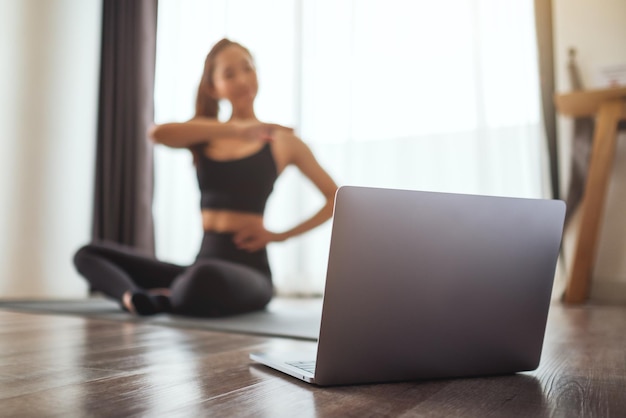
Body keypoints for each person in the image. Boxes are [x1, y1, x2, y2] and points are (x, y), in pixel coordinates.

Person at [74, 38, 338, 317]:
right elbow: (157, 134)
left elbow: (336, 198)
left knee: (202, 278)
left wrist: (280, 236)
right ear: (213, 88)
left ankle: (169, 297)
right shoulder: (206, 135)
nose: (242, 79)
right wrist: (237, 130)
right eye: (229, 74)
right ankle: (133, 297)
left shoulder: (281, 141)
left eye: (248, 68)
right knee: (88, 254)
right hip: (202, 262)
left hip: (249, 272)